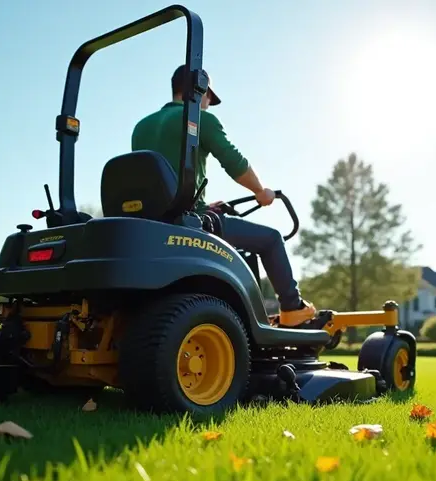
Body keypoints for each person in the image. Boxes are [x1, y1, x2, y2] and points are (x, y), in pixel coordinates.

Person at [131, 65, 317, 328]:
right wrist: (260, 192)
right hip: (186, 223)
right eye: (209, 97)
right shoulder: (198, 120)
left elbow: (163, 182)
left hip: (153, 224)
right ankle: (293, 309)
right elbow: (234, 162)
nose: (208, 104)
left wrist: (206, 206)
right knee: (271, 239)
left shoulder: (141, 127)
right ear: (201, 90)